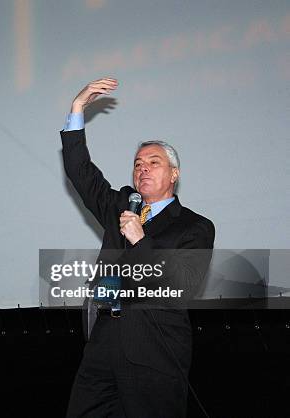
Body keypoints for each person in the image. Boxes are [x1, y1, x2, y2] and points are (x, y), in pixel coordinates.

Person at [61, 78, 215, 418]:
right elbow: (81, 173)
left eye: (153, 162)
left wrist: (141, 240)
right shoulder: (121, 205)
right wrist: (76, 110)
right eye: (137, 164)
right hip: (104, 344)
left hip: (155, 350)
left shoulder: (195, 227)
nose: (142, 168)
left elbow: (182, 284)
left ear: (174, 174)